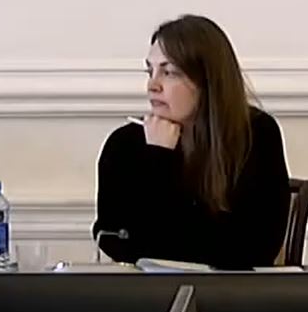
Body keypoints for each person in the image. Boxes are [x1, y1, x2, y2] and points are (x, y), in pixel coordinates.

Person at [93, 15, 291, 269]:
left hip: (228, 291)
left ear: (207, 81)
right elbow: (114, 239)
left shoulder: (256, 134)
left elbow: (252, 248)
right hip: (148, 290)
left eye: (169, 72)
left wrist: (162, 164)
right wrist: (158, 157)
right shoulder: (124, 144)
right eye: (150, 71)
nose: (152, 85)